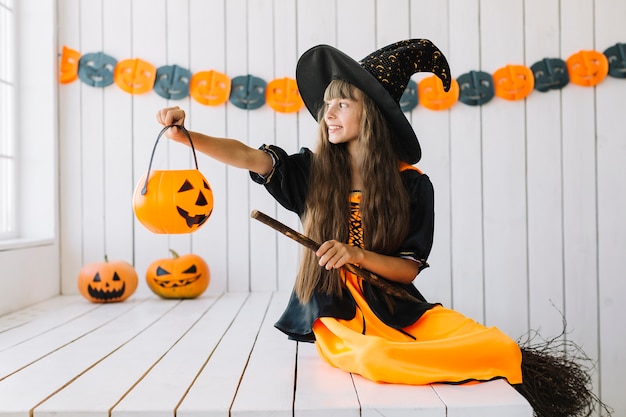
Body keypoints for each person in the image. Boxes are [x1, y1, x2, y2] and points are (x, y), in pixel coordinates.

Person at [157, 39, 609, 416]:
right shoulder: (311, 173)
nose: (327, 113)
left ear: (370, 113)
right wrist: (187, 137)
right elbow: (248, 156)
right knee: (377, 357)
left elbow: (408, 270)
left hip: (397, 306)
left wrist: (356, 254)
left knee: (496, 346)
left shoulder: (412, 186)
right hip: (340, 316)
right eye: (326, 104)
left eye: (341, 103)